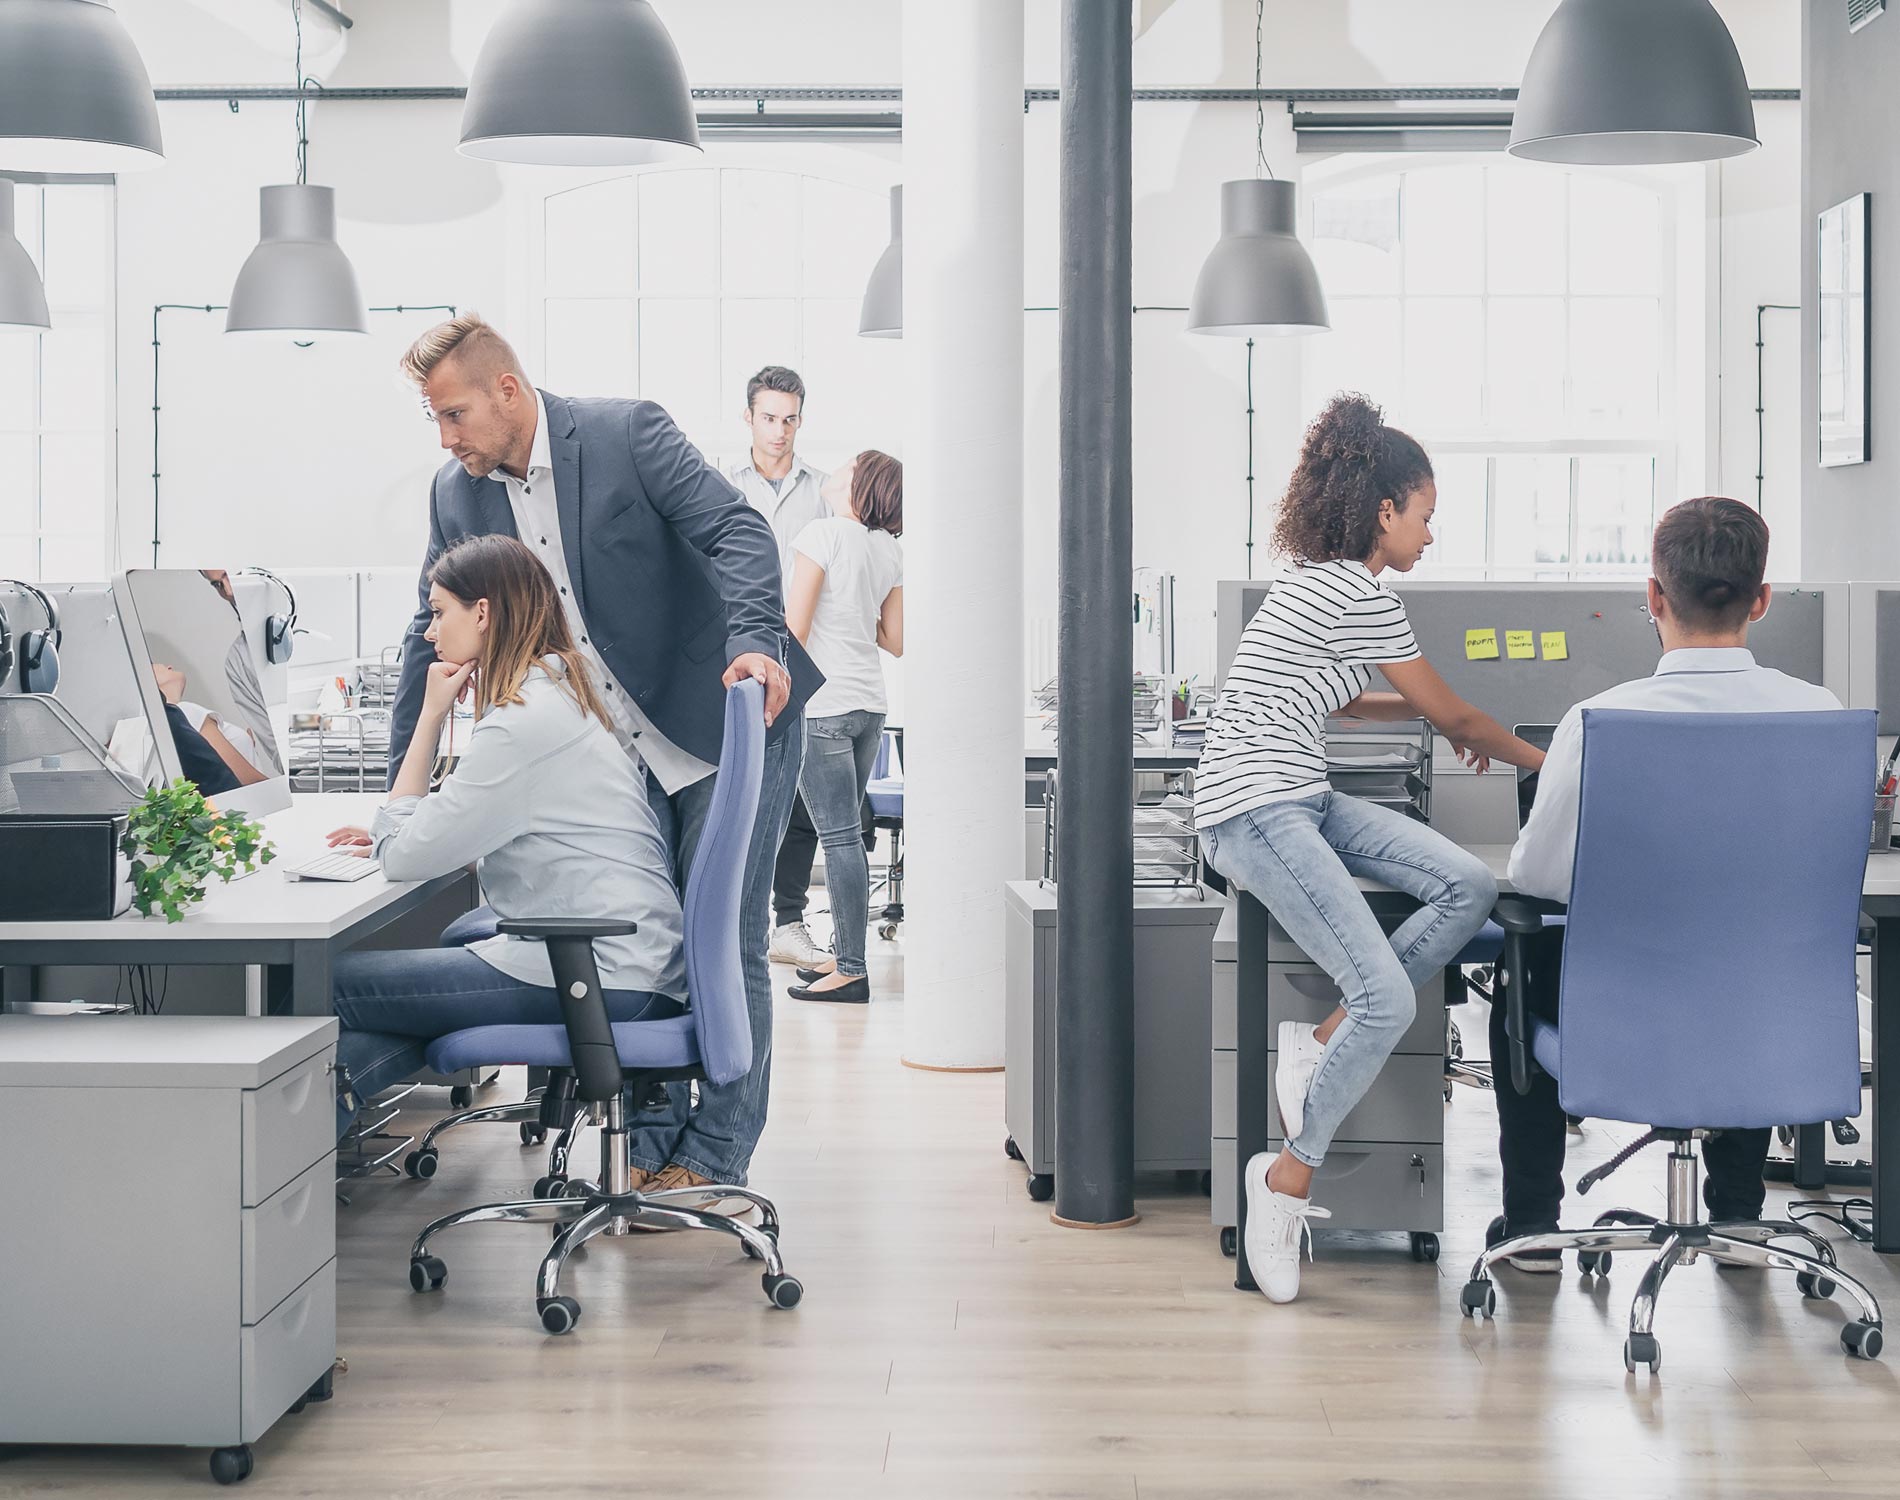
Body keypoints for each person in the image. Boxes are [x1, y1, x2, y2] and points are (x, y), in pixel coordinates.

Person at [381, 315, 819, 1213]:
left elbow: (739, 535)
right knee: (646, 945)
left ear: (506, 391)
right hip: (619, 752)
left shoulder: (624, 433)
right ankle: (648, 1154)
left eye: (453, 413)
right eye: (433, 419)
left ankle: (716, 1152)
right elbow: (424, 641)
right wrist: (403, 783)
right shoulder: (454, 495)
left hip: (727, 714)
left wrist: (756, 644)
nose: (445, 437)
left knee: (724, 937)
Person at [1196, 392, 1546, 1305]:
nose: (1430, 535)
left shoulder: (1323, 589)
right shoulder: (1352, 590)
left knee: (1466, 883)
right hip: (1253, 808)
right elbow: (1454, 710)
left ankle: (1317, 1042)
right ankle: (1285, 1179)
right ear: (1385, 511)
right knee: (1387, 995)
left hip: (1301, 792)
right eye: (1425, 516)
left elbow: (1351, 700)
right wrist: (1545, 757)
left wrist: (1445, 719)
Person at [1492, 497, 1839, 1269]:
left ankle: (1532, 1229)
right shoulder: (1819, 717)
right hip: (1768, 1030)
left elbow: (1536, 877)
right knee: (1749, 954)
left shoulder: (1596, 723)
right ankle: (1740, 1219)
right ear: (1761, 599)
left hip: (1622, 1038)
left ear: (1654, 598)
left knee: (1529, 957)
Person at [326, 535, 686, 1139]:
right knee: (404, 995)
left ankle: (296, 1148)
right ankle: (326, 1122)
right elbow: (488, 826)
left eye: (440, 612)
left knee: (328, 984)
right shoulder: (563, 693)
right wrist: (408, 829)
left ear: (484, 613)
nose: (428, 633)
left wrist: (430, 716)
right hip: (630, 964)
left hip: (601, 974)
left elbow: (405, 857)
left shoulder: (523, 723)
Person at [780, 451, 904, 1004]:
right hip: (870, 706)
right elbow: (895, 639)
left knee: (840, 840)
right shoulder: (887, 549)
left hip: (825, 707)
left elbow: (795, 630)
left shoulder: (822, 534)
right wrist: (856, 610)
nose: (839, 468)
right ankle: (843, 956)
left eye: (850, 465)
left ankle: (851, 969)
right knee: (845, 837)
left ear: (861, 484)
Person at [727, 366, 835, 972]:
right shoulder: (720, 482)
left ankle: (789, 920)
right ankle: (732, 914)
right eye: (769, 417)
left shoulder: (822, 490)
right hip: (739, 649)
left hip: (806, 653)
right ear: (749, 417)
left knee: (799, 795)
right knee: (734, 783)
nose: (779, 430)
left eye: (790, 418)